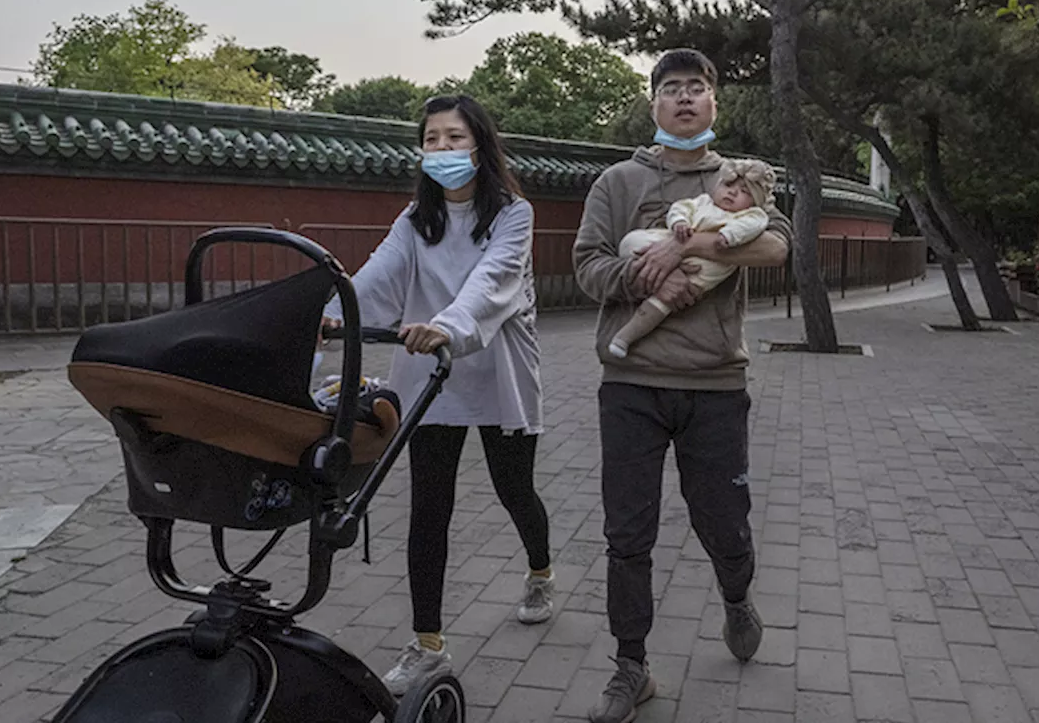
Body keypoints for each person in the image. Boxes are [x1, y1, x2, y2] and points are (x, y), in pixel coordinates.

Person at [572, 48, 792, 723]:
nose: (686, 98)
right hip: (631, 383)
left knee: (723, 520)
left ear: (715, 103)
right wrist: (644, 276)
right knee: (627, 532)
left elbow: (777, 246)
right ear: (654, 103)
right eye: (672, 88)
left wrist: (686, 247)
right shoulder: (617, 180)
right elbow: (587, 264)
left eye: (698, 87)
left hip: (716, 383)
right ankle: (630, 665)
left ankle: (736, 591)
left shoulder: (741, 179)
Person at [321, 94, 552, 697]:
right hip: (431, 368)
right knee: (430, 508)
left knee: (514, 488)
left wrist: (447, 324)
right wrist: (329, 315)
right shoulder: (412, 220)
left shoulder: (512, 214)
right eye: (432, 140)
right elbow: (377, 275)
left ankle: (540, 570)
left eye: (455, 138)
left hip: (494, 363)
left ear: (480, 144)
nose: (443, 150)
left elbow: (492, 282)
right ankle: (427, 644)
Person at [608, 158, 777, 359]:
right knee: (632, 240)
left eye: (745, 191)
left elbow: (752, 229)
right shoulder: (702, 202)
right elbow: (680, 209)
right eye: (728, 185)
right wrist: (679, 222)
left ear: (755, 200)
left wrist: (729, 235)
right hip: (672, 240)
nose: (732, 192)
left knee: (663, 303)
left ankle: (625, 337)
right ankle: (655, 266)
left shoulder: (752, 215)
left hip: (706, 266)